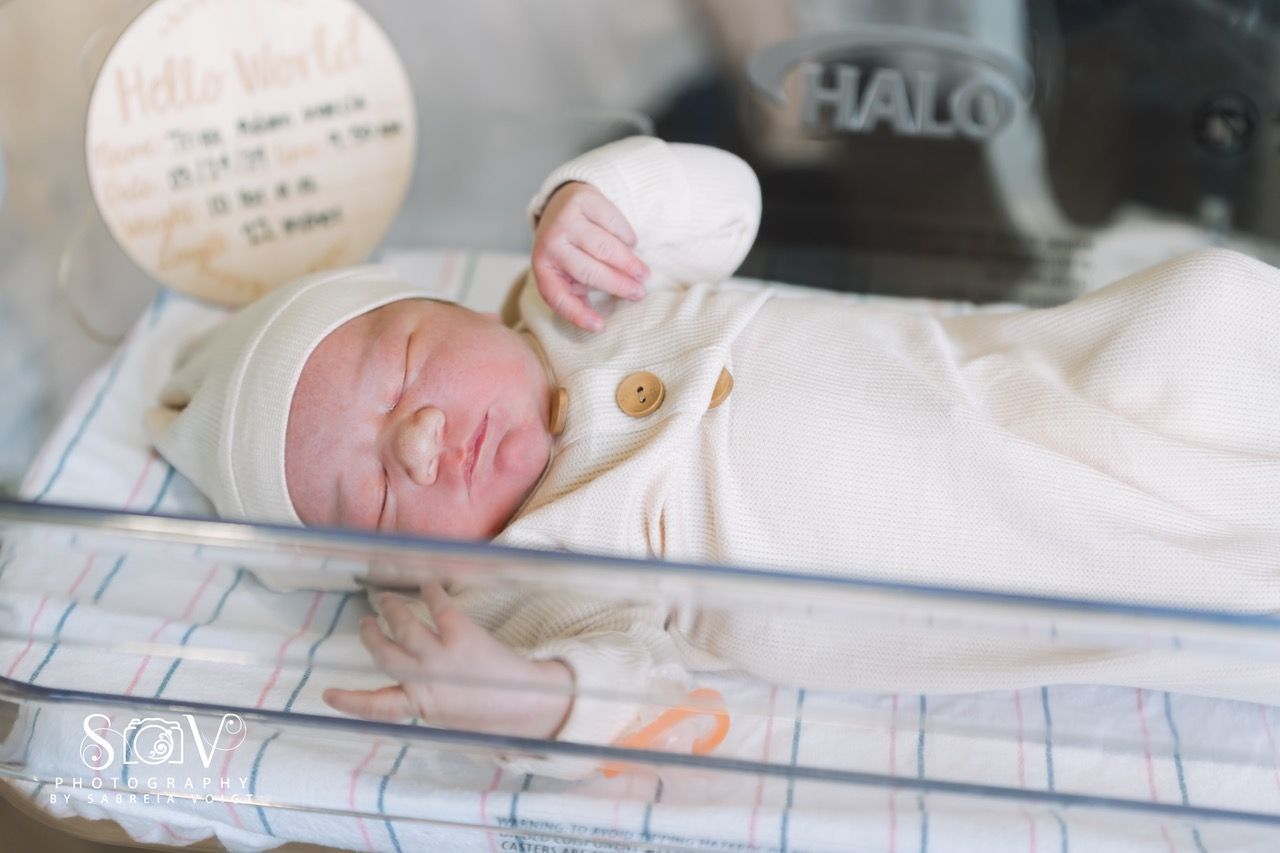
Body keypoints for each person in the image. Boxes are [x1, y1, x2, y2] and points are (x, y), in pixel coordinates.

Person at [150, 136, 1280, 760]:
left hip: (1010, 373)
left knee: (1205, 304)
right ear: (398, 569)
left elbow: (729, 205)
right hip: (1000, 553)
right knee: (1194, 580)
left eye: (400, 366)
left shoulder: (572, 294)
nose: (423, 437)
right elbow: (665, 708)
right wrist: (532, 699)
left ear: (452, 310)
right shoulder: (531, 577)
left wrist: (603, 193)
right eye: (375, 492)